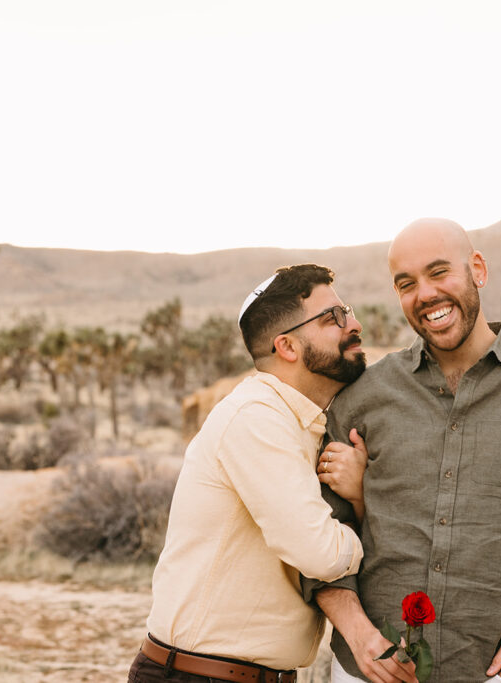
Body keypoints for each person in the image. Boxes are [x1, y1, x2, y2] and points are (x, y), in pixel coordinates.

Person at [306, 219, 501, 683]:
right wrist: (357, 635)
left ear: (478, 269)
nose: (425, 294)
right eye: (406, 283)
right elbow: (318, 533)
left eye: (439, 273)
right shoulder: (364, 395)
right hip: (369, 671)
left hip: (497, 673)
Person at [129, 264, 369, 683]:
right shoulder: (257, 417)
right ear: (288, 347)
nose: (355, 324)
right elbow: (320, 553)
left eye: (345, 311)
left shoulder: (298, 421)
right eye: (334, 317)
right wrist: (371, 523)